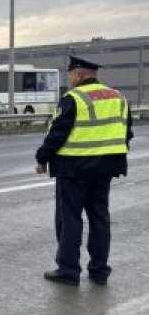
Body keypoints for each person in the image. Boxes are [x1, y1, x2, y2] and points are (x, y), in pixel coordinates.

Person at [36, 55, 133, 286]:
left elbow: (58, 133)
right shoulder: (118, 97)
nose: (69, 78)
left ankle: (68, 271)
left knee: (69, 219)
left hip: (73, 168)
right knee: (100, 217)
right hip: (105, 169)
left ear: (79, 73)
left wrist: (42, 158)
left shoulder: (74, 98)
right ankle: (99, 271)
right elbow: (127, 132)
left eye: (70, 73)